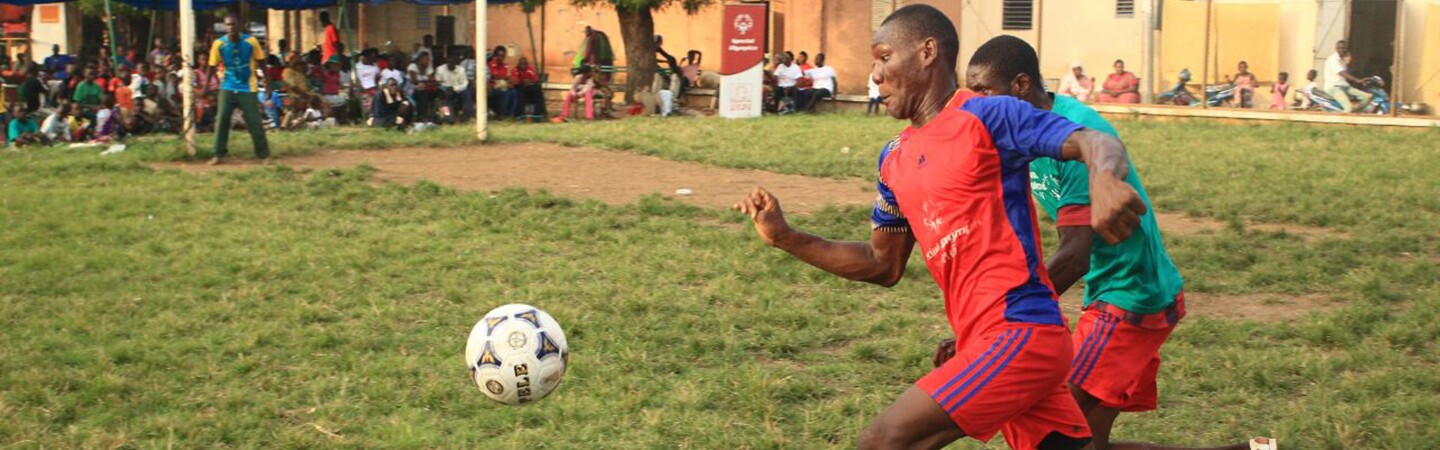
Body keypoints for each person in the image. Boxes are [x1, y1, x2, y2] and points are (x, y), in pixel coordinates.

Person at [735, 6, 1151, 449]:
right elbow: (882, 264)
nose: (875, 75)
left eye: (884, 57)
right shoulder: (893, 159)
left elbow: (1094, 140)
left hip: (1019, 333)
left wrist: (1104, 180)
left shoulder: (989, 116)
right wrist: (786, 237)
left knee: (882, 441)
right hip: (988, 342)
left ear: (927, 52)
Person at [961, 35, 1275, 450]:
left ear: (1020, 85)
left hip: (1130, 294)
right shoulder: (1024, 134)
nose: (975, 103)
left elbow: (1074, 256)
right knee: (1088, 442)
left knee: (1050, 426)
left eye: (984, 92)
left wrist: (999, 322)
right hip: (1114, 290)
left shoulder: (1075, 136)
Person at [207, 14, 270, 165]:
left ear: (239, 26)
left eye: (233, 25)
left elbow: (262, 63)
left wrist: (268, 84)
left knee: (254, 121)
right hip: (227, 86)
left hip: (247, 87)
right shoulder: (219, 44)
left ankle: (264, 155)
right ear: (224, 27)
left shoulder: (251, 42)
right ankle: (218, 153)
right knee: (222, 119)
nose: (231, 28)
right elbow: (211, 66)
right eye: (228, 25)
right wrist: (205, 88)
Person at [1324, 40, 1372, 113]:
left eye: (1344, 48)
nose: (1342, 50)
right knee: (1348, 108)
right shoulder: (1332, 60)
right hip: (1334, 87)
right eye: (1340, 48)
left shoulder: (1343, 60)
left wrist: (1349, 61)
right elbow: (1342, 73)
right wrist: (1358, 80)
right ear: (1336, 49)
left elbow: (1347, 74)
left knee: (1367, 97)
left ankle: (1356, 111)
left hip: (1344, 86)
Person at [435, 53, 470, 122]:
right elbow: (438, 83)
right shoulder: (440, 69)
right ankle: (448, 117)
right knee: (444, 96)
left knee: (467, 94)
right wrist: (446, 88)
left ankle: (467, 116)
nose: (450, 64)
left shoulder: (461, 70)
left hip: (458, 90)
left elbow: (465, 83)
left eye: (452, 63)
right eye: (448, 62)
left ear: (456, 63)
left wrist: (454, 88)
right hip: (444, 90)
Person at [487, 46, 517, 119]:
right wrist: (504, 77)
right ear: (496, 56)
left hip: (503, 85)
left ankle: (511, 115)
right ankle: (502, 114)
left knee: (513, 92)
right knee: (505, 92)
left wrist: (510, 80)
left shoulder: (505, 66)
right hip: (493, 87)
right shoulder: (490, 64)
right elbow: (493, 76)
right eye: (500, 55)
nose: (501, 58)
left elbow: (508, 76)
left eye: (503, 56)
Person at [408, 52, 438, 122]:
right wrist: (427, 81)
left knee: (440, 92)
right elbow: (414, 81)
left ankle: (438, 115)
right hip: (412, 90)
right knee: (422, 93)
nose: (428, 61)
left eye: (429, 60)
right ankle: (422, 116)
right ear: (420, 59)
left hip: (426, 89)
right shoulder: (413, 66)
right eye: (426, 59)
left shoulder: (428, 67)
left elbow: (431, 81)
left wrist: (429, 81)